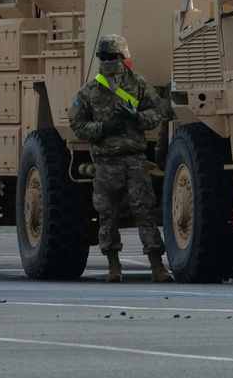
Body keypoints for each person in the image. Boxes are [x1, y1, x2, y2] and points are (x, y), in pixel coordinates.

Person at [68, 34, 173, 283]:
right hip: (106, 162)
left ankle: (157, 266)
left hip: (135, 159)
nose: (108, 62)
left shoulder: (137, 84)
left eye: (113, 57)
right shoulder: (90, 90)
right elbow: (76, 122)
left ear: (123, 58)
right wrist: (104, 128)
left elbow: (157, 112)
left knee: (144, 212)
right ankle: (113, 266)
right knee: (108, 215)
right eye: (104, 57)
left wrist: (136, 118)